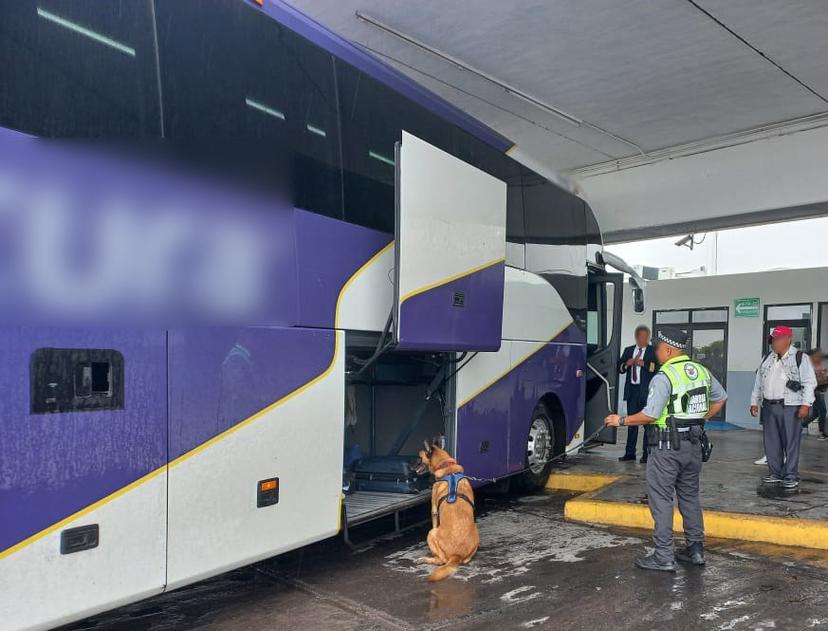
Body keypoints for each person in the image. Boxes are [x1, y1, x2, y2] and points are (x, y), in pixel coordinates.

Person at [605, 328, 727, 571]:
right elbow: (721, 398)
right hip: (694, 446)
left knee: (660, 499)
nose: (656, 352)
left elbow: (649, 415)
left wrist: (620, 420)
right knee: (690, 497)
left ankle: (663, 555)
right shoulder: (701, 371)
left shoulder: (665, 375)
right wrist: (698, 419)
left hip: (666, 448)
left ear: (669, 350)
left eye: (659, 348)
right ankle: (695, 549)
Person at [750, 326, 816, 489]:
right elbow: (759, 381)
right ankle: (775, 473)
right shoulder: (768, 358)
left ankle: (791, 475)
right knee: (771, 441)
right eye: (773, 339)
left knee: (790, 441)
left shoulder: (800, 357)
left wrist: (805, 404)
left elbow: (809, 382)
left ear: (788, 339)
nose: (774, 342)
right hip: (769, 405)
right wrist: (754, 401)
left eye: (778, 339)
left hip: (790, 406)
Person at [617, 325, 659, 463]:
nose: (642, 340)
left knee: (647, 424)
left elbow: (658, 369)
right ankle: (630, 453)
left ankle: (647, 455)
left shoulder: (653, 351)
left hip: (646, 393)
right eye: (640, 337)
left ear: (648, 337)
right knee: (632, 424)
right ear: (636, 337)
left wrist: (645, 364)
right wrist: (627, 364)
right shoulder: (629, 350)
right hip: (632, 392)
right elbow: (620, 368)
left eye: (645, 337)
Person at [807, 348, 828, 440]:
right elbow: (816, 380)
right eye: (818, 355)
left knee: (815, 413)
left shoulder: (819, 364)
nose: (819, 357)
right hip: (816, 391)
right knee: (823, 411)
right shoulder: (810, 366)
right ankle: (821, 433)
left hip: (820, 391)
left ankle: (800, 426)